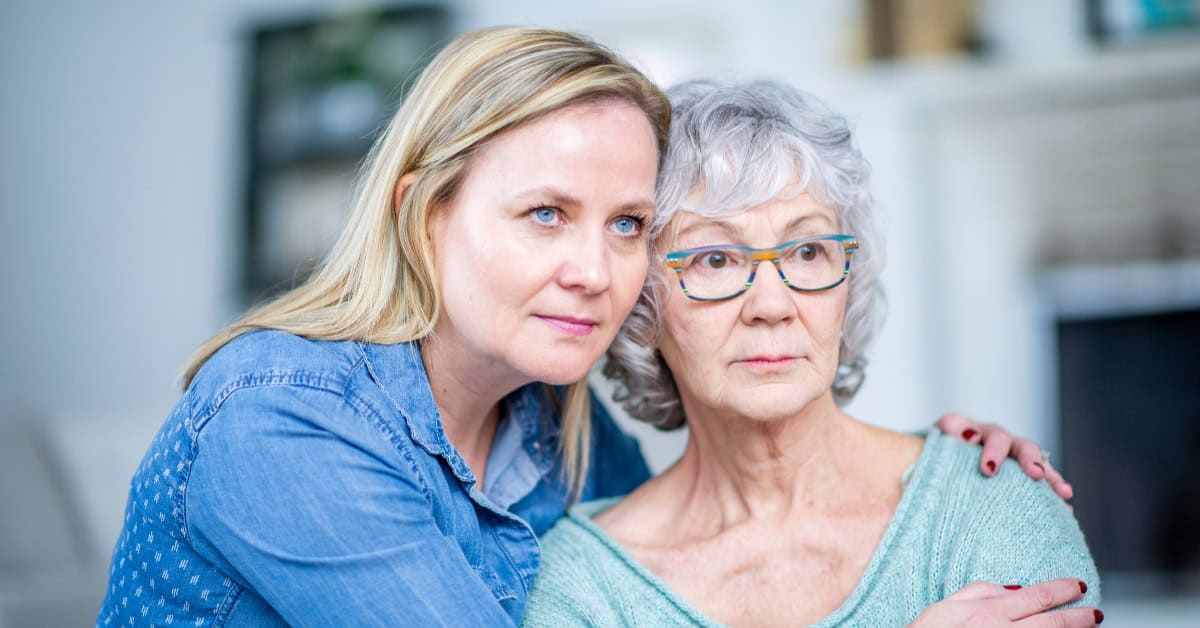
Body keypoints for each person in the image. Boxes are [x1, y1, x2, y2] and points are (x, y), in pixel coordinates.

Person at [97, 28, 1074, 627]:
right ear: (422, 212)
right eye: (545, 214)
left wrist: (938, 463)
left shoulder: (552, 424)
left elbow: (664, 583)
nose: (596, 271)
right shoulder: (285, 424)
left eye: (628, 226)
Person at [522, 80, 1102, 627]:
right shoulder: (584, 585)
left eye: (806, 251)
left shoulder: (990, 508)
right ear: (641, 306)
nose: (772, 304)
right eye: (715, 260)